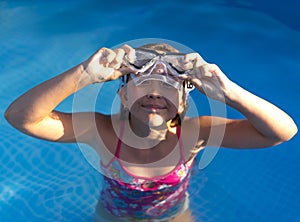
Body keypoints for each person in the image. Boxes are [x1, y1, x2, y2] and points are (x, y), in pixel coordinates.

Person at [5, 42, 297, 222]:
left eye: (168, 87)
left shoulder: (196, 133)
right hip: (111, 217)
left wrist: (229, 92)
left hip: (174, 215)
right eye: (144, 84)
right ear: (123, 96)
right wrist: (84, 74)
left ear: (183, 101)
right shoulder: (100, 131)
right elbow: (21, 118)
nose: (156, 94)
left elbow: (281, 133)